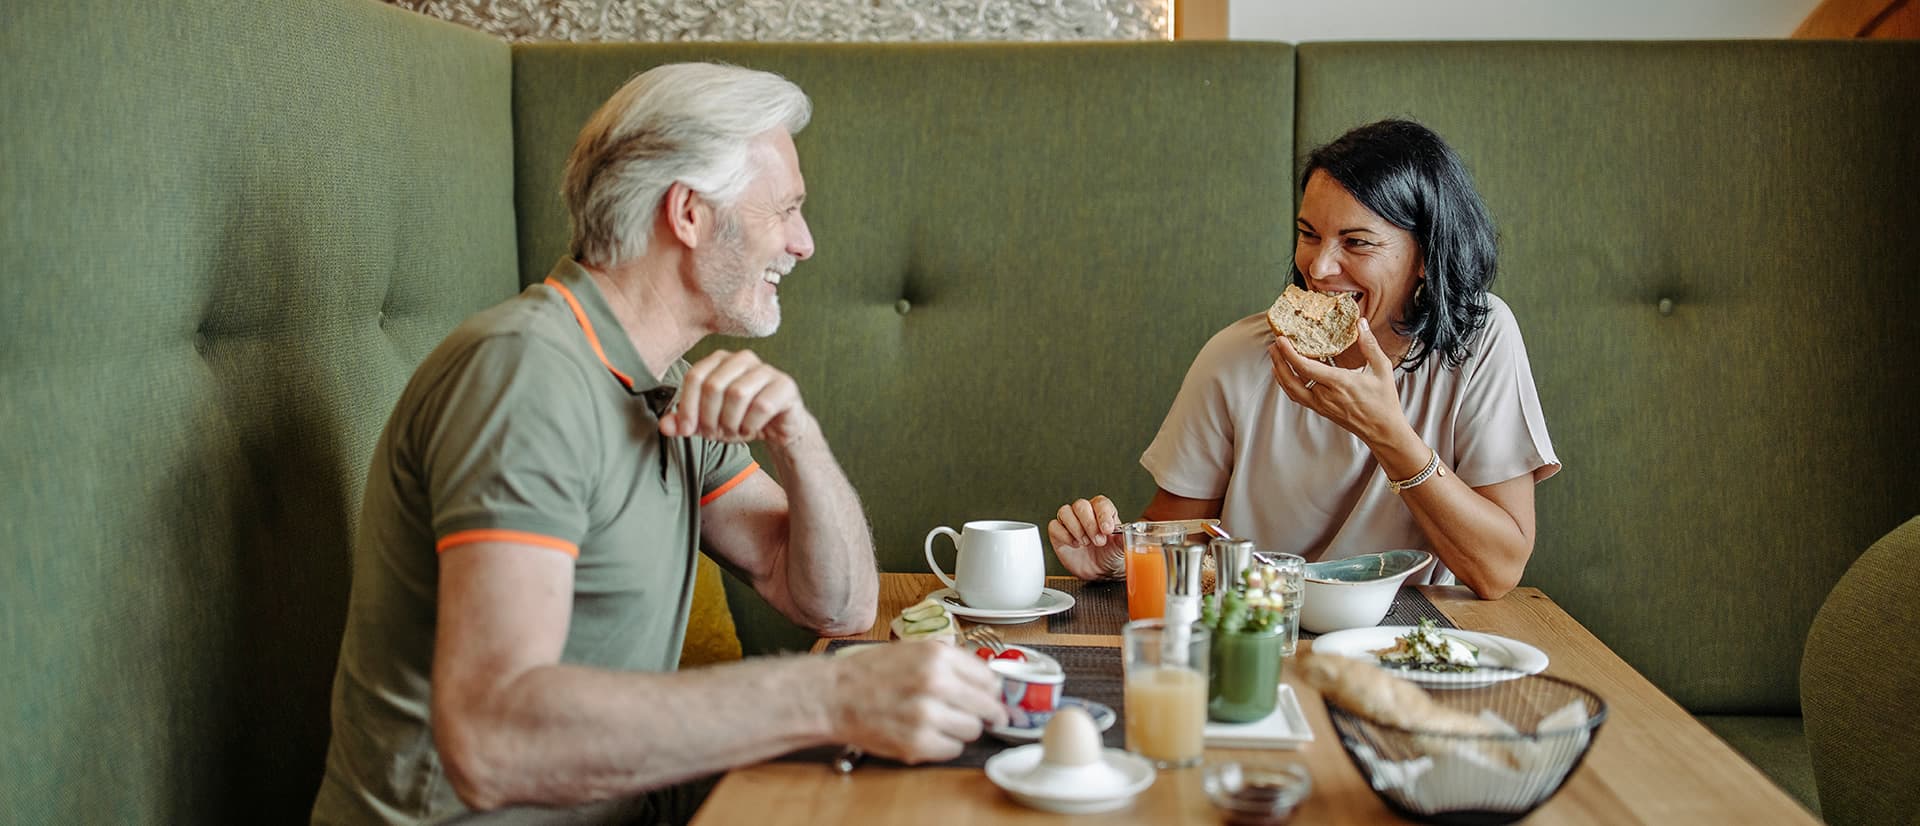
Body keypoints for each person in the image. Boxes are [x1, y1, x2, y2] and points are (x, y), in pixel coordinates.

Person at [311, 63, 1007, 826]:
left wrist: (799, 441)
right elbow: (494, 739)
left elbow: (838, 604)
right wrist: (831, 697)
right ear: (689, 214)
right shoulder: (526, 376)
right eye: (787, 209)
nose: (804, 243)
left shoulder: (663, 385)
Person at [1049, 119, 1559, 600]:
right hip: (1261, 629)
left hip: (1411, 642)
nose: (1319, 265)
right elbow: (1181, 539)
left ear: (1425, 255)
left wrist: (1388, 433)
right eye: (1309, 233)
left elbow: (1498, 572)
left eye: (1356, 242)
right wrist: (1119, 558)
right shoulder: (1236, 358)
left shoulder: (1478, 337)